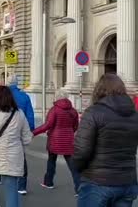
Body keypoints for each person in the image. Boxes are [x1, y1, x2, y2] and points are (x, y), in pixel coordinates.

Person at [73, 74, 138, 207]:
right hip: (126, 182)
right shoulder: (134, 115)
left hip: (97, 183)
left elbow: (81, 151)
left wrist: (79, 169)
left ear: (99, 90)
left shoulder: (93, 112)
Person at [33, 89, 80, 194]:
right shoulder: (73, 111)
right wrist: (70, 132)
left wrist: (33, 133)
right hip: (69, 140)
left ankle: (48, 182)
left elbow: (47, 125)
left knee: (51, 161)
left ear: (57, 97)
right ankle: (79, 188)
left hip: (55, 139)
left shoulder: (54, 110)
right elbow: (76, 126)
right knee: (72, 165)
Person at [7, 75, 34, 194]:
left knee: (1, 153)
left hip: (5, 130)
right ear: (17, 83)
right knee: (21, 157)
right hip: (20, 129)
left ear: (7, 83)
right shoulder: (24, 96)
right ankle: (22, 186)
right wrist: (30, 129)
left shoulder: (4, 96)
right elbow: (30, 114)